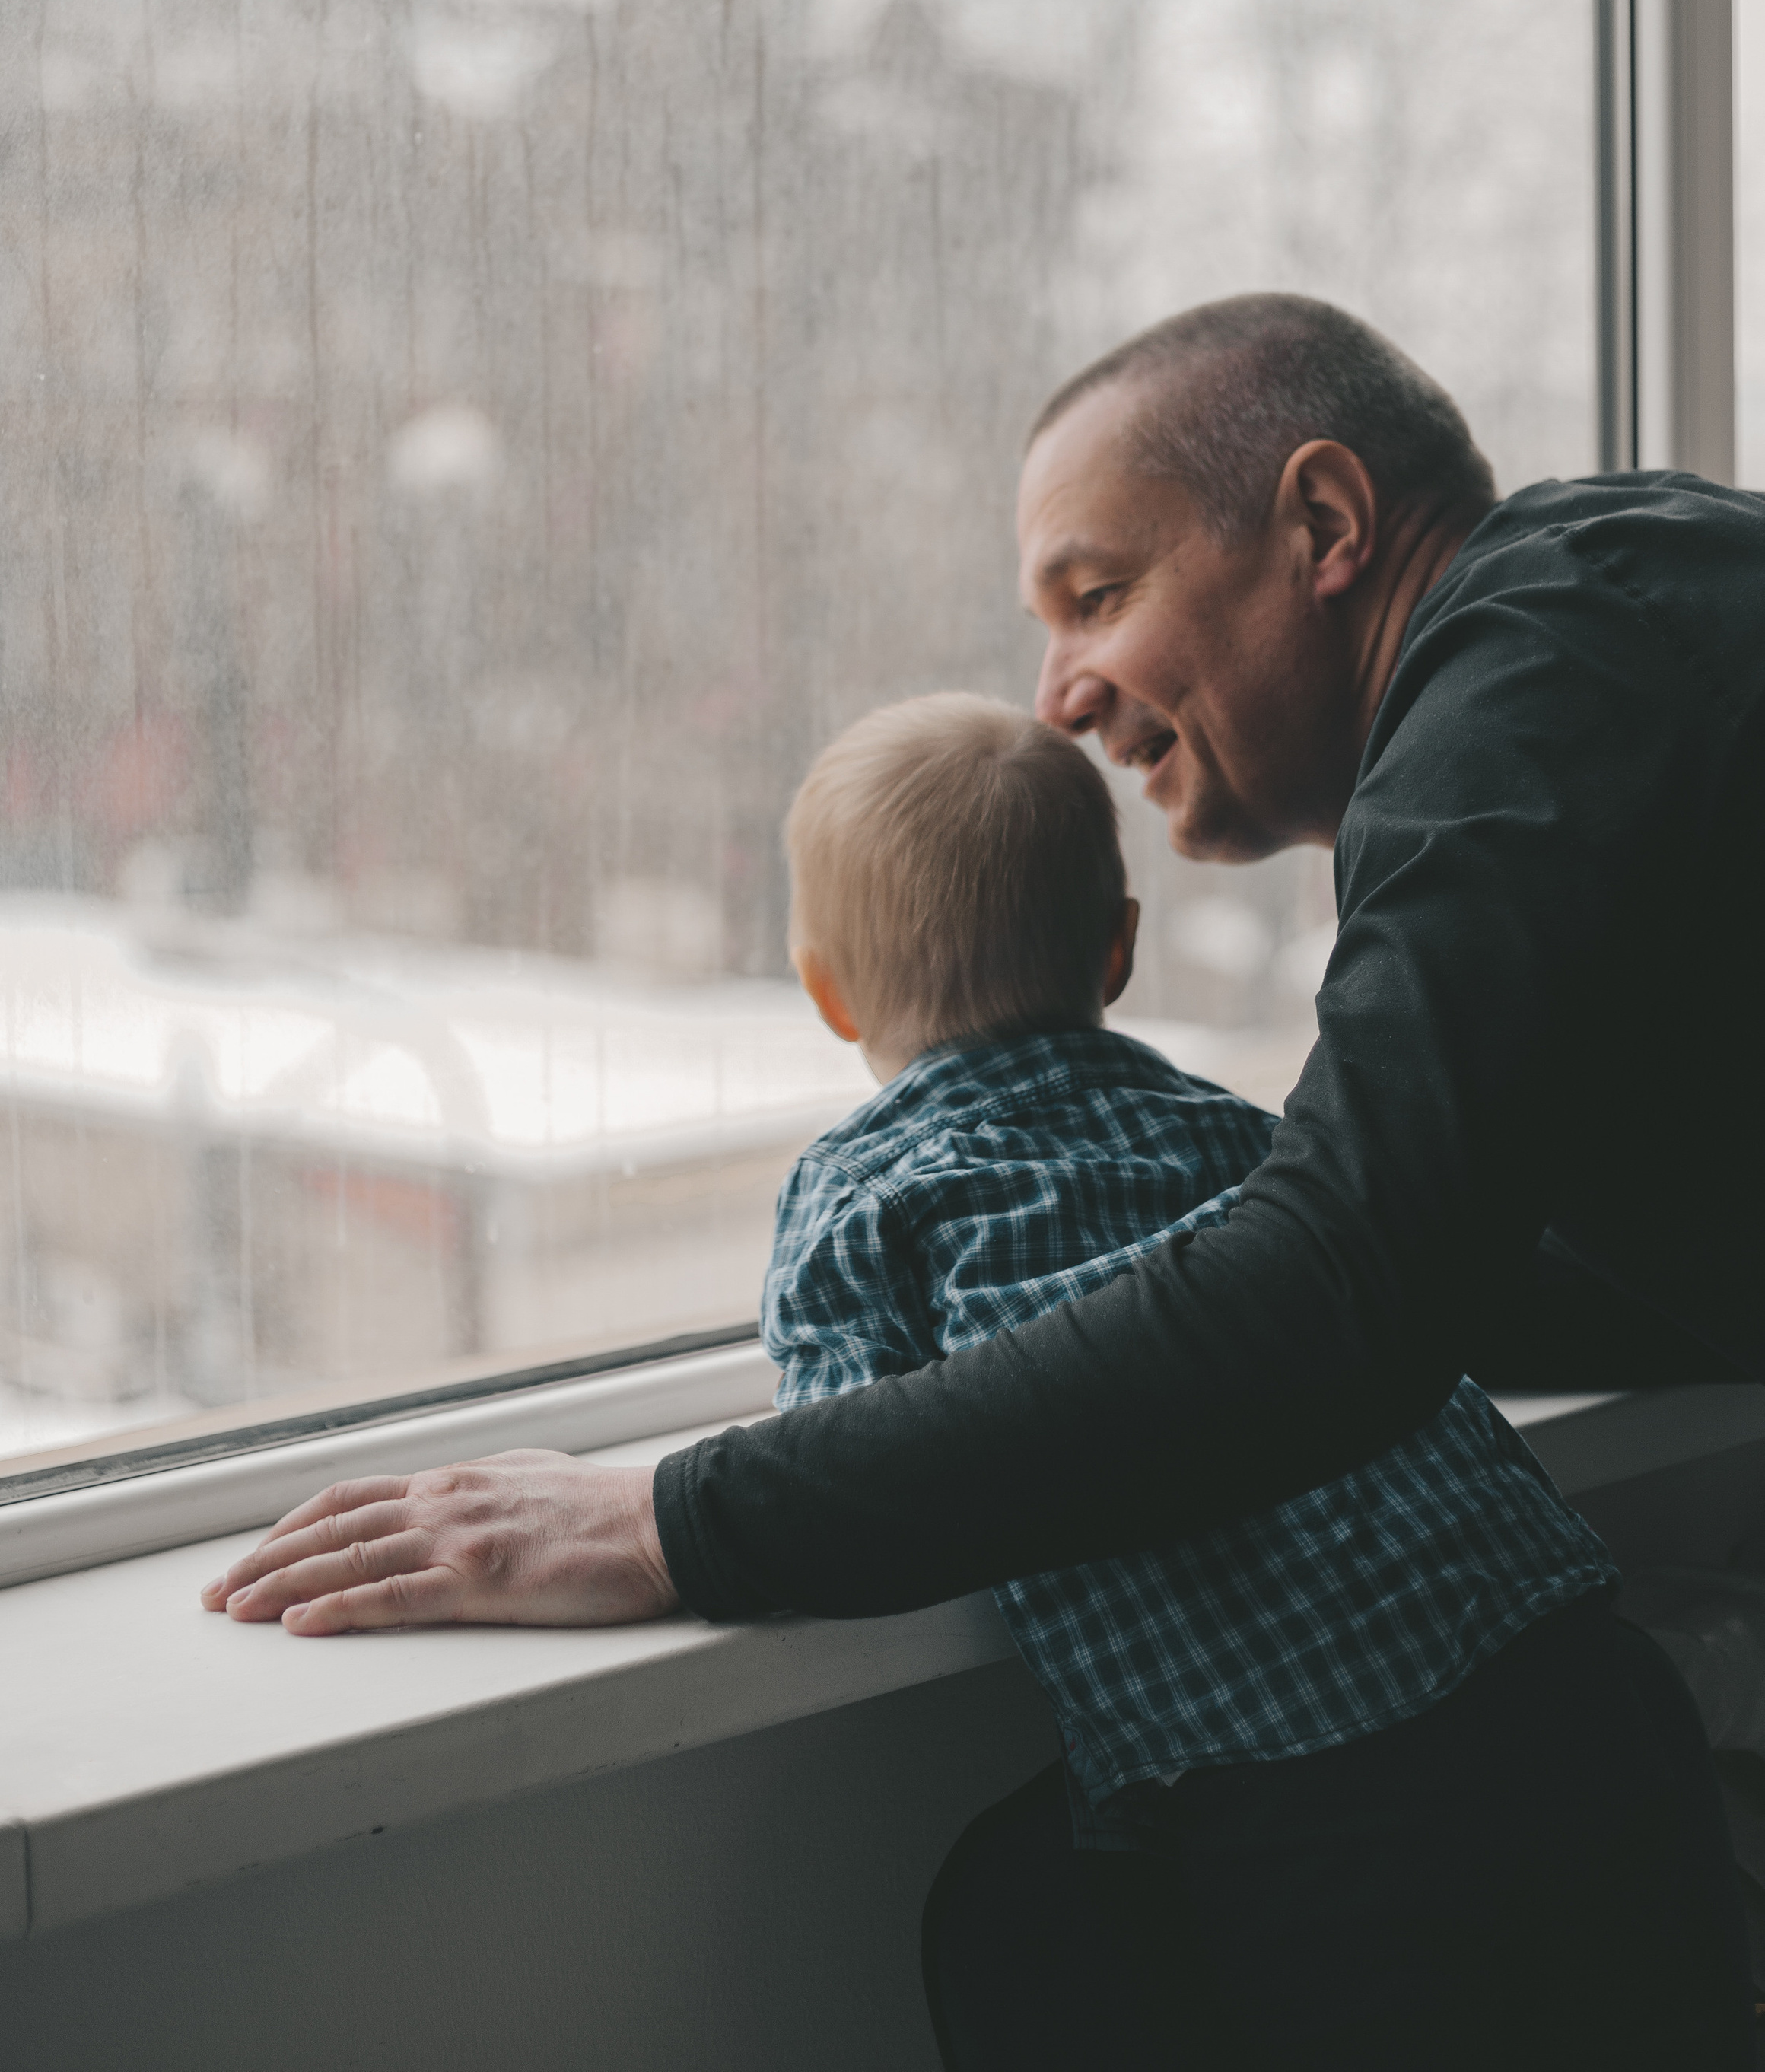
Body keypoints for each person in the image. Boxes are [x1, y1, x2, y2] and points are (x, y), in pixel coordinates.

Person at [202, 297, 1764, 2039]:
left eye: (1095, 593)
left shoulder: (1526, 700)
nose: (1058, 693)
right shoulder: (1625, 611)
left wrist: (674, 1516)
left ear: (1324, 524)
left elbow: (1350, 1285)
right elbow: (1448, 1252)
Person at [764, 690, 1715, 2071]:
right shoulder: (1252, 1135)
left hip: (1309, 1799)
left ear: (826, 990)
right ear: (1118, 947)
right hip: (1576, 1676)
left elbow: (847, 1473)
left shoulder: (863, 1199)